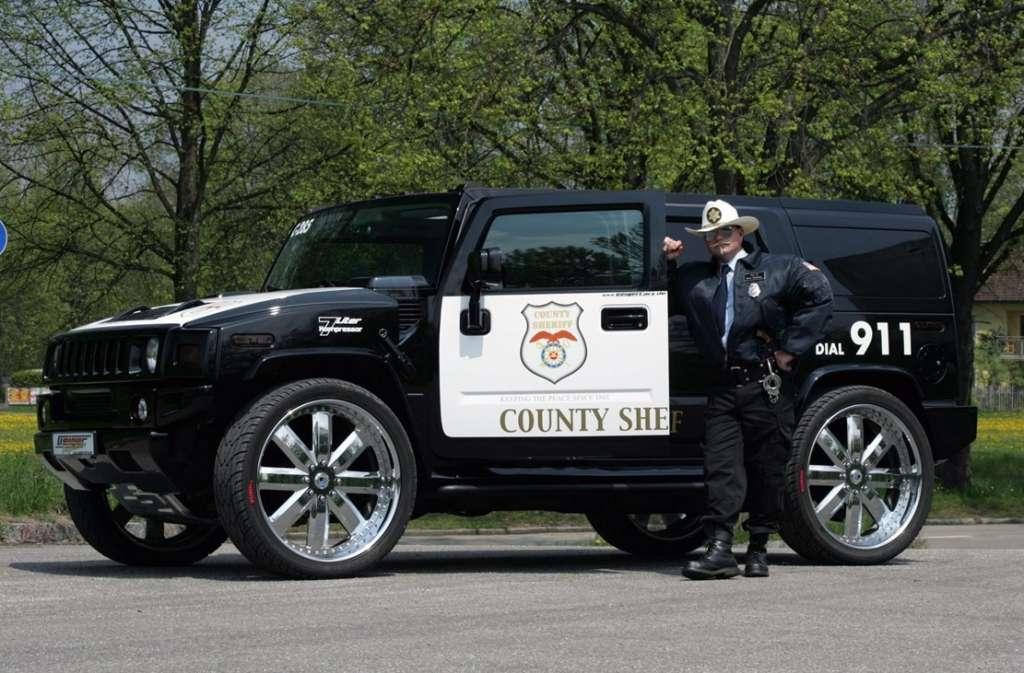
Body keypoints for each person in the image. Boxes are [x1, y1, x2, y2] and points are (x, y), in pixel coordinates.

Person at [664, 199, 833, 580]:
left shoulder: (777, 268)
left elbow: (820, 295)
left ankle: (758, 546)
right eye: (710, 234)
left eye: (725, 231)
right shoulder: (693, 278)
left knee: (768, 468)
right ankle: (720, 549)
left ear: (740, 233)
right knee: (720, 469)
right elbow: (660, 299)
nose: (717, 239)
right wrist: (669, 263)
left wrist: (791, 348)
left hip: (765, 386)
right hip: (722, 387)